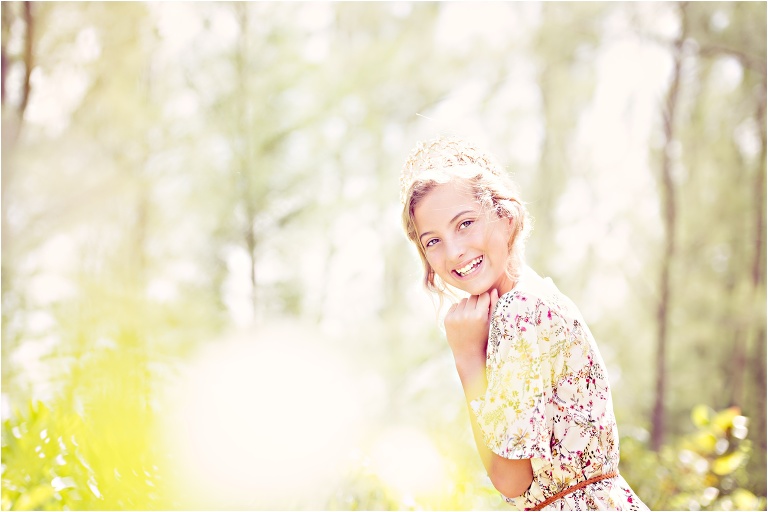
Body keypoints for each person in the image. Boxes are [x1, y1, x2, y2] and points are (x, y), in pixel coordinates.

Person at [399, 135, 648, 510]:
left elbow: (511, 480)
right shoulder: (536, 298)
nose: (454, 251)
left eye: (465, 223)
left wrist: (466, 357)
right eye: (433, 241)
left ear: (506, 215)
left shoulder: (520, 313)